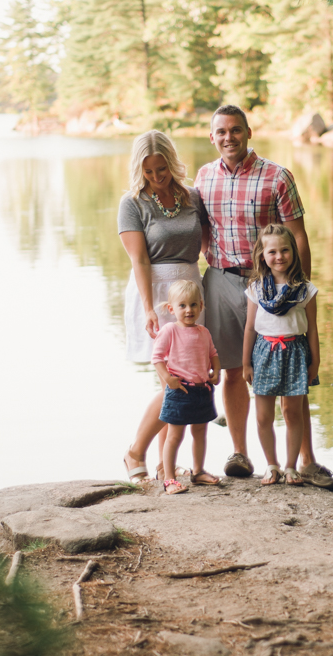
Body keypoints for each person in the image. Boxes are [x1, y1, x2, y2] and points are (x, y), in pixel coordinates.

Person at [195, 104, 333, 488]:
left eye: (236, 130)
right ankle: (240, 454)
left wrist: (298, 289)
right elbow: (205, 229)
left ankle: (305, 460)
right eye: (221, 131)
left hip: (273, 285)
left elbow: (299, 235)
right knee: (232, 370)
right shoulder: (204, 177)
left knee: (293, 370)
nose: (229, 138)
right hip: (222, 281)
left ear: (249, 132)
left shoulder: (276, 176)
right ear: (212, 137)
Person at [119, 130, 209, 483]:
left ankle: (161, 466)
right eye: (149, 171)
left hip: (189, 288)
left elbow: (205, 243)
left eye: (162, 169)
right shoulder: (132, 203)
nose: (156, 177)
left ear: (172, 163)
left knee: (182, 375)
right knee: (172, 380)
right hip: (155, 291)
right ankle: (135, 453)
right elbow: (139, 261)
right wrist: (150, 308)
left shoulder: (191, 197)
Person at [242, 225, 320, 485]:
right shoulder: (256, 288)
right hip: (264, 352)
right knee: (264, 415)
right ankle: (271, 465)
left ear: (293, 252)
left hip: (295, 352)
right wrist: (246, 363)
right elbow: (250, 327)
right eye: (272, 251)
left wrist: (315, 362)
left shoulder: (305, 289)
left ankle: (290, 467)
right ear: (262, 255)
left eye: (285, 250)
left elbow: (312, 328)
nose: (279, 256)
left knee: (292, 413)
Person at [152, 280, 222, 494]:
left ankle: (198, 471)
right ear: (171, 309)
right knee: (175, 435)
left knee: (200, 432)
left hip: (202, 390)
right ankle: (169, 478)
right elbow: (157, 358)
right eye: (182, 306)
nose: (188, 310)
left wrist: (216, 372)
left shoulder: (203, 332)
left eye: (193, 304)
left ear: (201, 306)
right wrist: (168, 379)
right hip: (180, 390)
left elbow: (213, 354)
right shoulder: (169, 331)